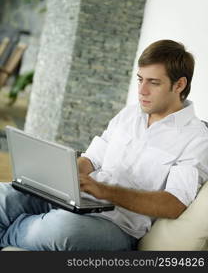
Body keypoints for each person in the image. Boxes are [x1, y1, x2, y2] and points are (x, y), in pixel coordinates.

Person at [1, 39, 208, 251]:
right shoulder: (130, 114)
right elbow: (92, 158)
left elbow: (174, 204)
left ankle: (8, 234)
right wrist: (66, 177)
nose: (142, 90)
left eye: (153, 83)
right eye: (140, 80)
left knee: (62, 230)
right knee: (3, 195)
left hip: (118, 226)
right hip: (77, 200)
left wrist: (104, 191)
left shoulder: (196, 138)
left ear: (179, 85)